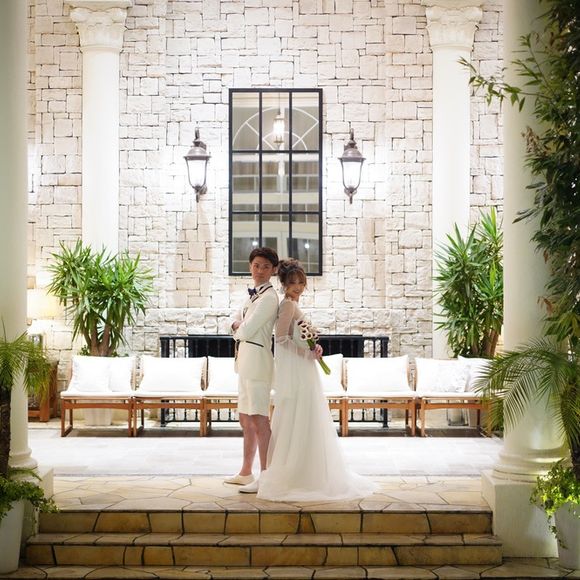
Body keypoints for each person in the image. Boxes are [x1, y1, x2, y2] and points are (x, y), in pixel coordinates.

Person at [254, 259, 377, 501]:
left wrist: (314, 348)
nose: (298, 287)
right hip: (299, 370)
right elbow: (280, 340)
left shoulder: (292, 304)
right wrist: (306, 353)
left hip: (304, 368)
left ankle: (308, 469)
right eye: (293, 282)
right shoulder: (287, 305)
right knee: (300, 415)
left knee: (307, 416)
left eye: (301, 282)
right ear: (284, 284)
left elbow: (295, 338)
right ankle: (298, 472)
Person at [224, 247, 279, 491]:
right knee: (245, 419)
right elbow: (231, 321)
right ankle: (246, 472)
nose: (260, 270)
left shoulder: (269, 298)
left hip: (258, 363)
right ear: (250, 267)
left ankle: (266, 476)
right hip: (244, 363)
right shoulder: (252, 295)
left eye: (266, 266)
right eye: (256, 265)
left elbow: (246, 330)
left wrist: (237, 325)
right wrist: (237, 324)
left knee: (259, 418)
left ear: (274, 270)